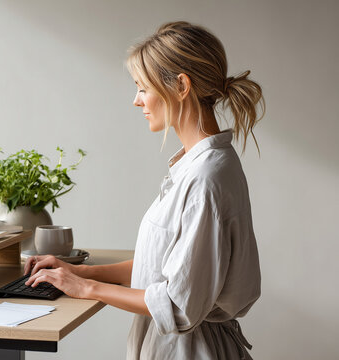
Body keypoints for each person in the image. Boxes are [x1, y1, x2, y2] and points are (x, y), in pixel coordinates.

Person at [24, 21, 263, 360]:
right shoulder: (201, 167)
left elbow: (178, 305)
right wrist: (79, 271)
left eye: (142, 87)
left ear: (181, 86)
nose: (136, 101)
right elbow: (165, 267)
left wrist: (87, 288)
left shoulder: (206, 179)